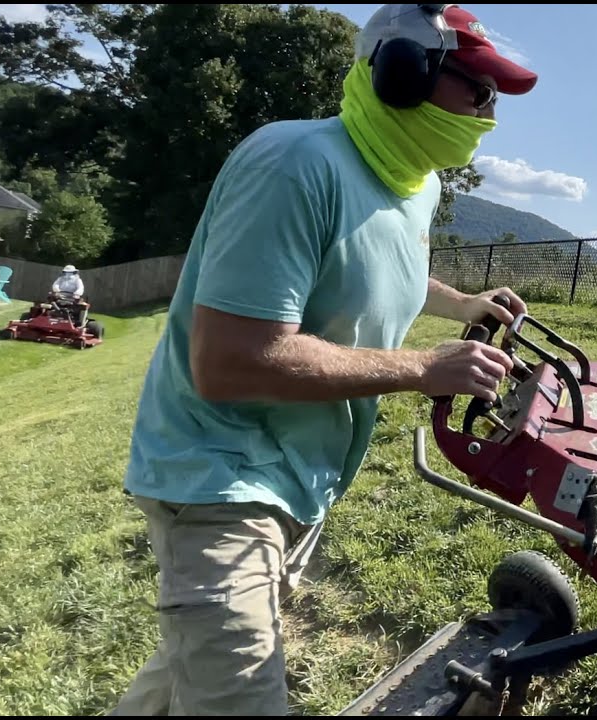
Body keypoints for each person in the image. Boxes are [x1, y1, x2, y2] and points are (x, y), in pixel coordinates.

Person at [111, 4, 538, 715]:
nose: (487, 113)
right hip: (219, 479)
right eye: (476, 87)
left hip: (298, 477)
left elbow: (376, 264)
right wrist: (422, 369)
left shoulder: (415, 181)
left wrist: (463, 305)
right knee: (240, 690)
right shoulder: (293, 163)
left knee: (183, 673)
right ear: (404, 73)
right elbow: (233, 360)